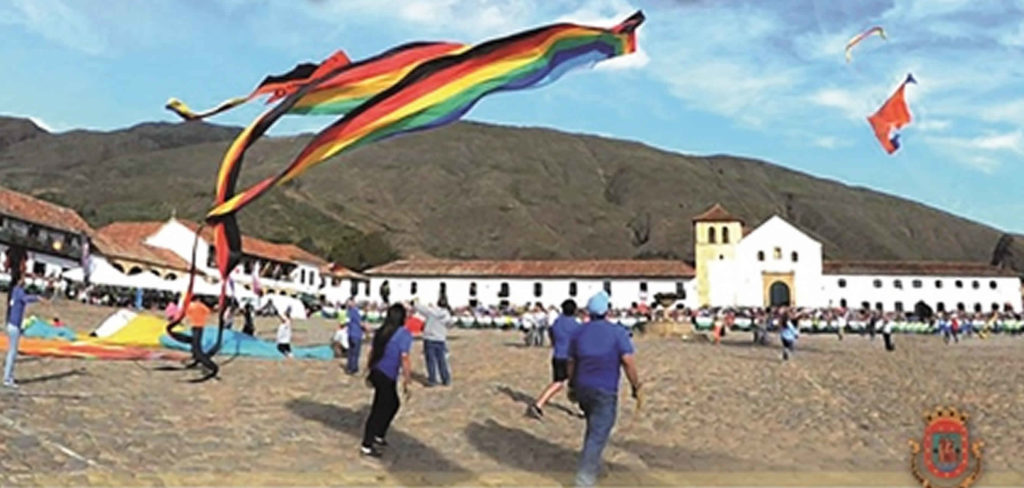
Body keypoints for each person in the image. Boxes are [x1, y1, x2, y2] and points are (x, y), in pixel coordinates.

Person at [568, 291, 642, 487]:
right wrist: (636, 385)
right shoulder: (618, 332)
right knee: (598, 433)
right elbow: (628, 362)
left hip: (583, 386)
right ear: (607, 311)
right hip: (605, 388)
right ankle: (584, 480)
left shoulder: (578, 332)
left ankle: (594, 466)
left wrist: (571, 384)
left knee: (594, 428)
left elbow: (571, 362)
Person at [360, 303, 413, 458]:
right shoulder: (404, 334)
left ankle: (379, 435)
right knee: (379, 409)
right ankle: (367, 444)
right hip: (385, 374)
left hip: (378, 371)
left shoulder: (382, 331)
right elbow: (405, 358)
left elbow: (372, 352)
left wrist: (368, 369)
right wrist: (407, 380)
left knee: (392, 404)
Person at [527, 299, 581, 419]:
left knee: (560, 382)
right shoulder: (576, 326)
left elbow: (551, 334)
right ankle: (538, 404)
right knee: (571, 382)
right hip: (570, 357)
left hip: (557, 355)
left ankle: (539, 404)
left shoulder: (557, 322)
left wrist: (555, 343)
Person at [4, 274, 43, 388]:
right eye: (22, 279)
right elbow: (26, 299)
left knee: (11, 352)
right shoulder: (19, 292)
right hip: (14, 326)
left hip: (12, 324)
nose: (24, 281)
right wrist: (37, 298)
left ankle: (8, 376)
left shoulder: (15, 291)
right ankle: (7, 378)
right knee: (12, 353)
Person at [415, 298, 454, 386]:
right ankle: (446, 379)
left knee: (430, 361)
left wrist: (415, 302)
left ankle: (432, 380)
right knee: (442, 360)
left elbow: (421, 308)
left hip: (429, 338)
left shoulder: (431, 311)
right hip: (440, 339)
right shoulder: (447, 314)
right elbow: (450, 324)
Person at [346, 299, 365, 374]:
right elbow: (360, 323)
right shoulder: (355, 311)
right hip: (356, 334)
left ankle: (349, 367)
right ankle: (353, 368)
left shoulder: (348, 312)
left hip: (350, 334)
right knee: (355, 353)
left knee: (351, 352)